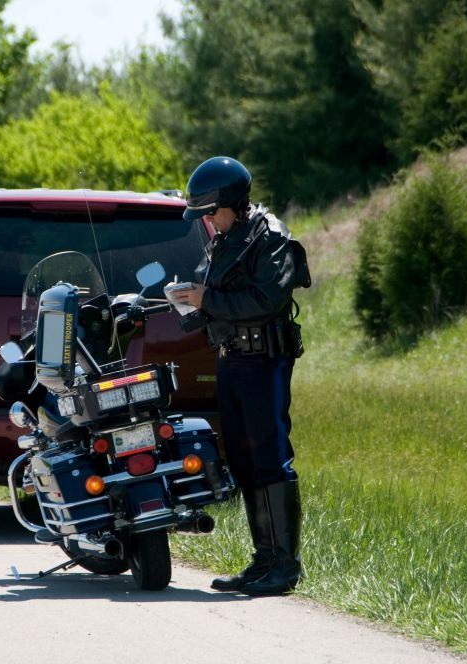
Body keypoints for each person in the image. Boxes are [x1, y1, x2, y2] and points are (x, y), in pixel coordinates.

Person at [168, 156, 309, 596]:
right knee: (245, 461)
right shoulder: (225, 240)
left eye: (211, 211)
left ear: (233, 203)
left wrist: (207, 297)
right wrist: (186, 301)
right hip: (230, 360)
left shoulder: (271, 239)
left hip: (264, 361)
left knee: (270, 458)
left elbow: (265, 300)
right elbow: (214, 300)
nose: (207, 220)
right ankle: (262, 561)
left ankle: (285, 567)